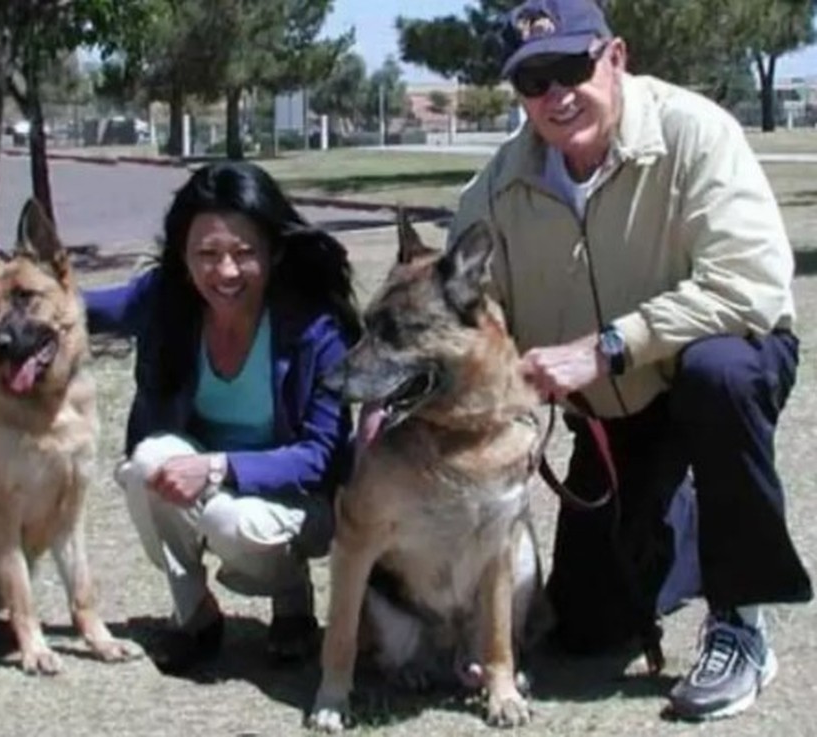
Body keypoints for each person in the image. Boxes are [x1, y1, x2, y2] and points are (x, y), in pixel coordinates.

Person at [448, 0, 812, 722]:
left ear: (614, 57)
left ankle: (740, 622)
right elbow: (464, 312)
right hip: (615, 417)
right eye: (532, 80)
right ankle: (682, 515)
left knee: (720, 374)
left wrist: (610, 345)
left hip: (711, 369)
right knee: (583, 628)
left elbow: (750, 284)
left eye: (571, 67)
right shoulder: (495, 188)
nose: (555, 95)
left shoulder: (696, 132)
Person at [84, 161, 361, 673]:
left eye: (243, 253)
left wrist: (215, 468)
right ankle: (196, 615)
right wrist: (4, 311)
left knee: (229, 520)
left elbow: (321, 456)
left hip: (297, 501)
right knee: (148, 463)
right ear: (183, 257)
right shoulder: (167, 299)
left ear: (274, 252)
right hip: (211, 486)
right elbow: (79, 309)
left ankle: (293, 601)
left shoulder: (315, 327)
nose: (225, 272)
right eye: (206, 254)